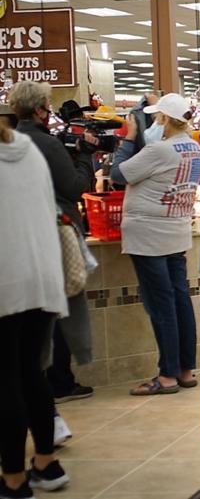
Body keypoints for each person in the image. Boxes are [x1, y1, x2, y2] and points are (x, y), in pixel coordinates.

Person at [110, 93, 200, 396]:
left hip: (149, 235)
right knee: (179, 300)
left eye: (156, 117)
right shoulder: (195, 148)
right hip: (175, 230)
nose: (153, 122)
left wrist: (129, 139)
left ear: (165, 118)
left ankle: (166, 376)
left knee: (161, 304)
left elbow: (117, 175)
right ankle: (185, 370)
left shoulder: (161, 150)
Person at [9, 82, 96, 405]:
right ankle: (60, 379)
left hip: (19, 240)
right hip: (56, 234)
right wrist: (85, 158)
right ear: (40, 109)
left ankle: (37, 377)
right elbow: (74, 188)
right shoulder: (47, 144)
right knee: (61, 310)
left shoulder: (13, 142)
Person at [0, 117, 71, 498]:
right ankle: (46, 462)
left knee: (6, 379)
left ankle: (13, 478)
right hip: (42, 276)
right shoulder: (30, 153)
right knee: (31, 372)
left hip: (5, 279)